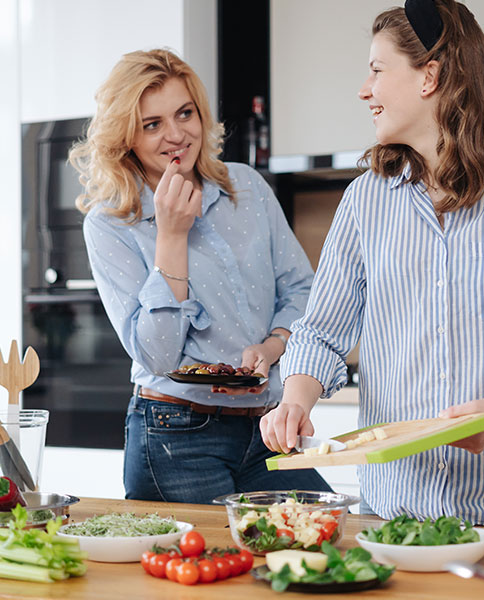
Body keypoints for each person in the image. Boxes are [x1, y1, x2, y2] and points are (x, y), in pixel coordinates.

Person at [259, 0, 484, 526]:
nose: (363, 89)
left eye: (376, 70)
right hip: (388, 515)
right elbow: (322, 332)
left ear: (430, 77)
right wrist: (295, 399)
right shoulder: (364, 202)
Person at [69, 48, 331, 504]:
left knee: (323, 540)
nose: (176, 135)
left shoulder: (246, 187)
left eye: (185, 113)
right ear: (126, 136)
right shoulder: (110, 225)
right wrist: (170, 234)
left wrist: (272, 346)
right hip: (176, 434)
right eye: (152, 125)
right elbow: (157, 354)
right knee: (205, 568)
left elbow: (302, 290)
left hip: (266, 426)